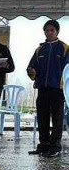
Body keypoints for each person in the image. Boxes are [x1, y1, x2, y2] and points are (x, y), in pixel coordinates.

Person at [27, 20, 69, 157]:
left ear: (57, 32)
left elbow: (67, 70)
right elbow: (31, 66)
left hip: (58, 90)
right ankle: (43, 145)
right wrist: (31, 70)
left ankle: (55, 147)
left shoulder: (64, 48)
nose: (49, 32)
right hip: (42, 89)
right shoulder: (40, 49)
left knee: (57, 119)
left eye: (52, 30)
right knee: (42, 118)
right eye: (47, 30)